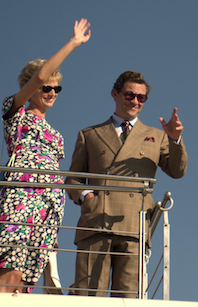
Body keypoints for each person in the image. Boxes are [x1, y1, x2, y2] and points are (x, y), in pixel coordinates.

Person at [0, 18, 92, 293]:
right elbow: (41, 75)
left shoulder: (56, 134)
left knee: (24, 284)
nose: (52, 92)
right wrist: (73, 43)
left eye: (57, 89)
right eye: (47, 88)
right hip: (22, 198)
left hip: (49, 204)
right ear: (31, 88)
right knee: (9, 273)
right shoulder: (15, 113)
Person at [65, 70, 187, 297]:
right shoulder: (90, 134)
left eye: (141, 98)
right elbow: (73, 179)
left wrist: (174, 139)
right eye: (130, 95)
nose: (135, 101)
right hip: (96, 223)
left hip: (135, 226)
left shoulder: (157, 135)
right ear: (115, 94)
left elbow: (177, 171)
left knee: (129, 300)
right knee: (89, 299)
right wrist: (87, 197)